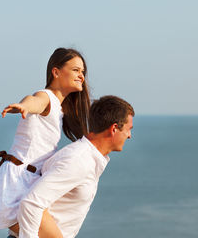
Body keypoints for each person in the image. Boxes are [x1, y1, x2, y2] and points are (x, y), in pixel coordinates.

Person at [0, 48, 90, 237]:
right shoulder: (46, 97)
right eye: (76, 70)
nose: (81, 76)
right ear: (56, 72)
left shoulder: (59, 108)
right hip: (16, 184)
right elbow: (34, 101)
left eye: (82, 71)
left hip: (24, 183)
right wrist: (24, 106)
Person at [14, 95, 135, 238]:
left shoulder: (88, 158)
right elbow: (31, 203)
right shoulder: (78, 160)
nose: (129, 135)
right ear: (114, 128)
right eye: (128, 129)